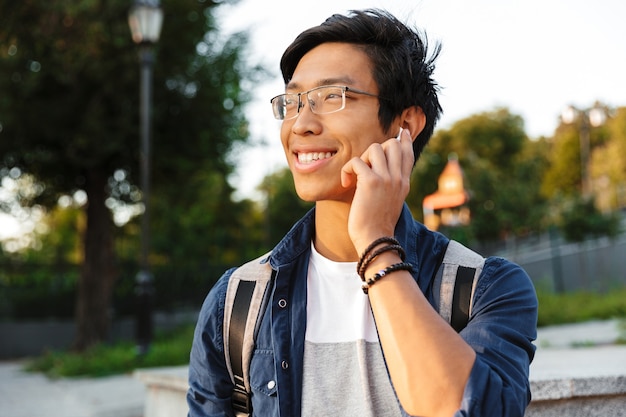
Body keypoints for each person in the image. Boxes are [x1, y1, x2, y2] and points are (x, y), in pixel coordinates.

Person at [187, 8, 537, 417]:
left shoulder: (482, 289)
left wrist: (376, 244)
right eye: (294, 100)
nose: (301, 124)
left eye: (333, 97)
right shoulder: (236, 304)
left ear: (405, 124)